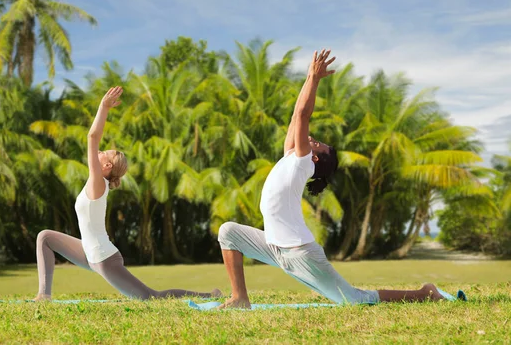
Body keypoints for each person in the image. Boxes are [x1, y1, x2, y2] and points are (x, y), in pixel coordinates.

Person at [217, 49, 444, 309]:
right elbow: (295, 116)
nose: (312, 139)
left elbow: (303, 115)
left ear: (315, 159)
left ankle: (424, 293)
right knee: (229, 232)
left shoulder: (302, 163)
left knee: (355, 299)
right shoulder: (290, 157)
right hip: (274, 247)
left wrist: (315, 80)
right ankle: (239, 298)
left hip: (300, 253)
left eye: (319, 145)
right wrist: (309, 76)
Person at [34, 86, 221, 301]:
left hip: (105, 259)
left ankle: (209, 295)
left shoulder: (98, 183)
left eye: (106, 153)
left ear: (105, 166)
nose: (101, 151)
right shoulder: (95, 181)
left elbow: (92, 137)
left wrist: (103, 108)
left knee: (152, 297)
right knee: (45, 237)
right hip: (87, 253)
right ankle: (43, 296)